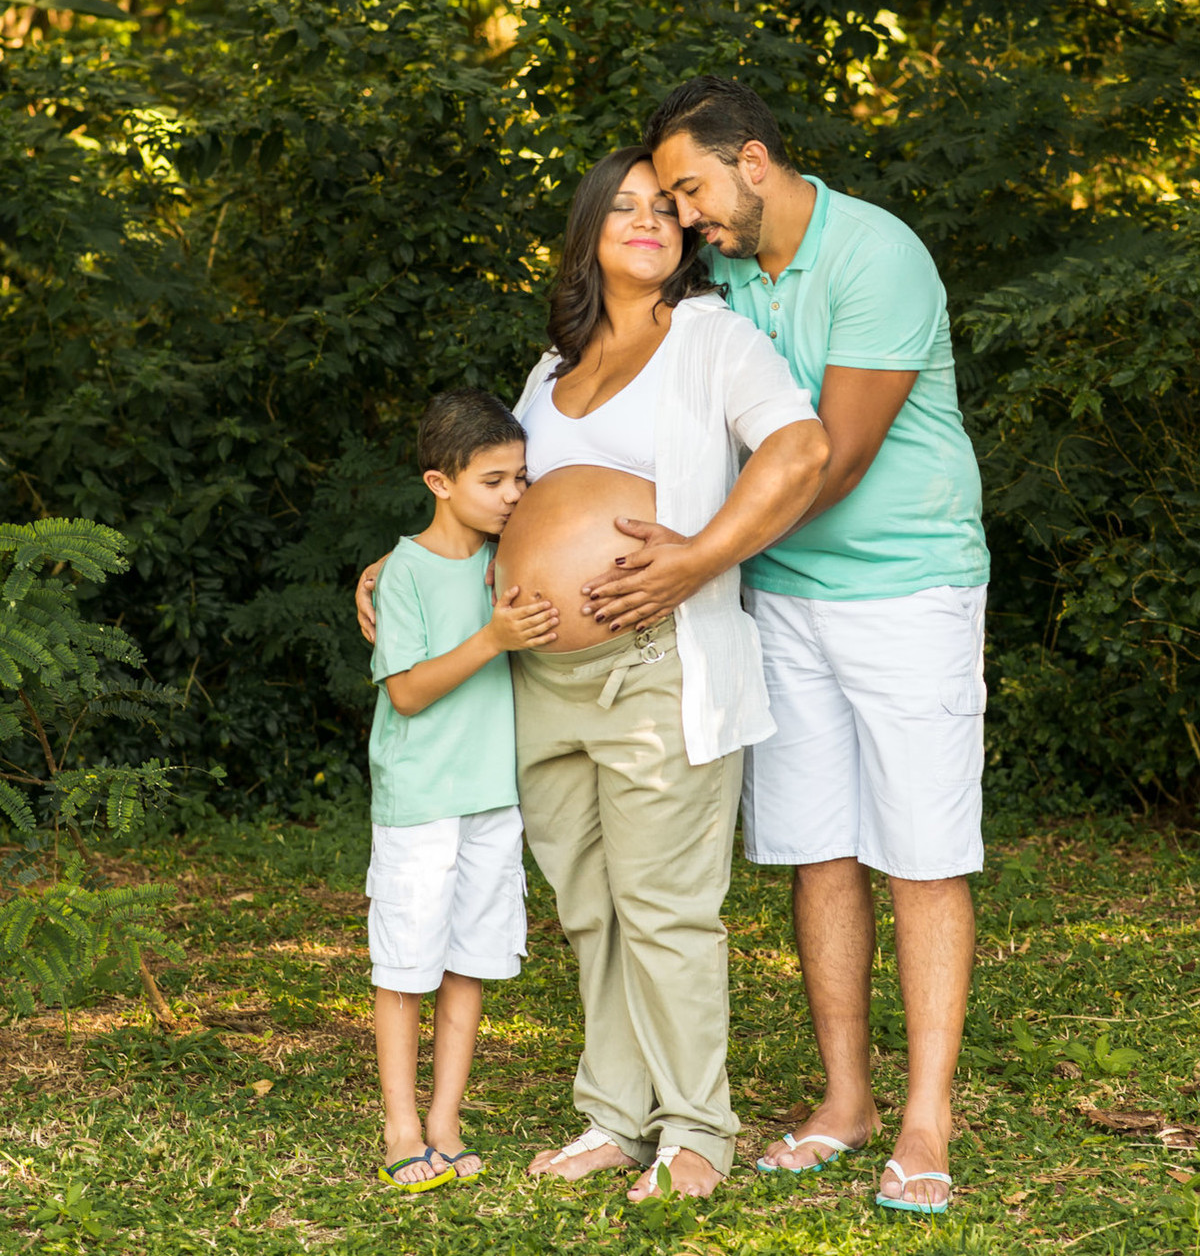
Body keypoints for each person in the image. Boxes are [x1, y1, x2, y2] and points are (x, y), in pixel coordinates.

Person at [358, 147, 829, 1202]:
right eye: (622, 206)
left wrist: (699, 559)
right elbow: (500, 508)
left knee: (665, 904)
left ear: (689, 235)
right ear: (588, 234)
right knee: (590, 905)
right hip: (540, 680)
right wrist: (400, 565)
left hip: (656, 666)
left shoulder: (716, 343)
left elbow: (797, 453)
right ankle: (618, 1115)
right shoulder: (551, 370)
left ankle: (698, 1129)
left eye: (667, 206)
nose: (647, 220)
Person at [584, 78, 989, 1216]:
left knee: (920, 853)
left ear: (754, 161)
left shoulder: (877, 255)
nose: (684, 215)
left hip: (909, 587)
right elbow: (617, 420)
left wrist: (699, 555)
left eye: (695, 189)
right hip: (781, 599)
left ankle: (926, 1118)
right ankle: (847, 1100)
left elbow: (836, 457)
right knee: (818, 850)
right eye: (669, 197)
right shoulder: (722, 283)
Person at [366, 388, 559, 1195]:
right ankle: (400, 1125)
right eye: (494, 481)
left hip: (492, 794)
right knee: (406, 964)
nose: (514, 496)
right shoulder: (404, 571)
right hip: (419, 797)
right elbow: (406, 693)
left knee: (470, 959)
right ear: (439, 483)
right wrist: (492, 638)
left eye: (520, 478)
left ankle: (446, 1118)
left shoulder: (507, 562)